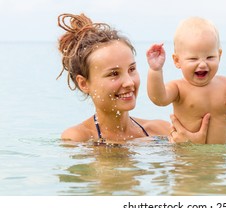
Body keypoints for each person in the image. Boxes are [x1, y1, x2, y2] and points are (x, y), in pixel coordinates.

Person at [56, 13, 210, 145]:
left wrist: (192, 147)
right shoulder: (77, 139)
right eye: (114, 74)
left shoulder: (161, 130)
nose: (129, 82)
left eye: (131, 69)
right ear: (84, 84)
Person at [146, 16, 226, 144]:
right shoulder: (178, 88)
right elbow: (158, 99)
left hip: (218, 161)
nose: (202, 64)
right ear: (177, 61)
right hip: (188, 158)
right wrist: (155, 70)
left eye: (210, 57)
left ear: (219, 55)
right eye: (193, 59)